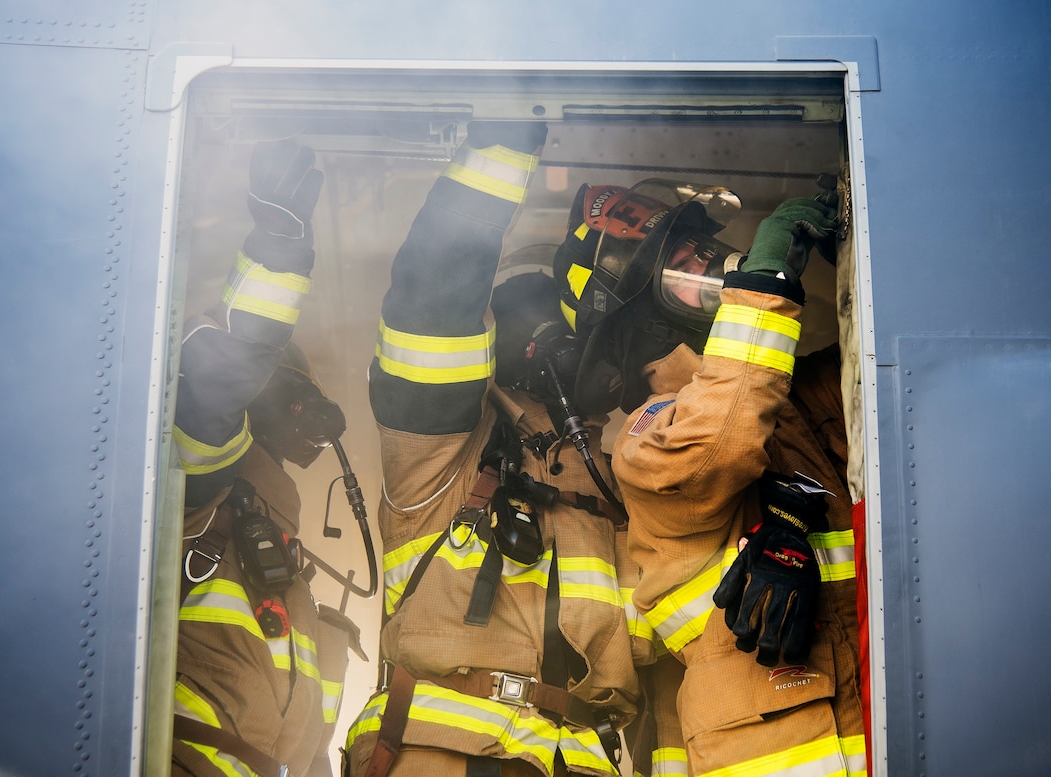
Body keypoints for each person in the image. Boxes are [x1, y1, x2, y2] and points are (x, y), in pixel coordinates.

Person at [343, 122, 639, 777]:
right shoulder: (441, 456)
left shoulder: (620, 481)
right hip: (441, 756)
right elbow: (434, 313)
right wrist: (507, 135)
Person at [554, 183, 866, 776]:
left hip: (860, 712)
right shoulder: (648, 437)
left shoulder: (784, 394)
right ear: (641, 320)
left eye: (700, 243)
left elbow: (885, 388)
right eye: (683, 257)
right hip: (775, 744)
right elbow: (722, 433)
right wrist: (767, 284)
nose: (708, 258)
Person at [172, 139, 364, 777]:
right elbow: (221, 383)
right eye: (293, 388)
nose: (307, 408)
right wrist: (280, 246)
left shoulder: (275, 534)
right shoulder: (203, 474)